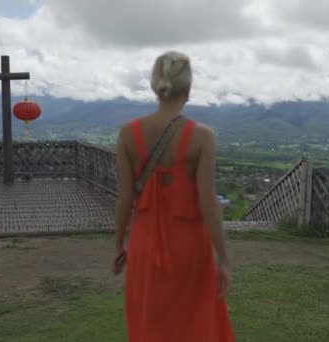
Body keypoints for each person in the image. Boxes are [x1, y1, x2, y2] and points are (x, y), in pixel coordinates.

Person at [112, 51, 235, 341]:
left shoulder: (128, 135)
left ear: (155, 86)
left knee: (150, 323)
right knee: (194, 323)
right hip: (190, 247)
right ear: (188, 90)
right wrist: (224, 258)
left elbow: (124, 198)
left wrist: (119, 244)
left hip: (143, 245)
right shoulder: (202, 137)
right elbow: (208, 204)